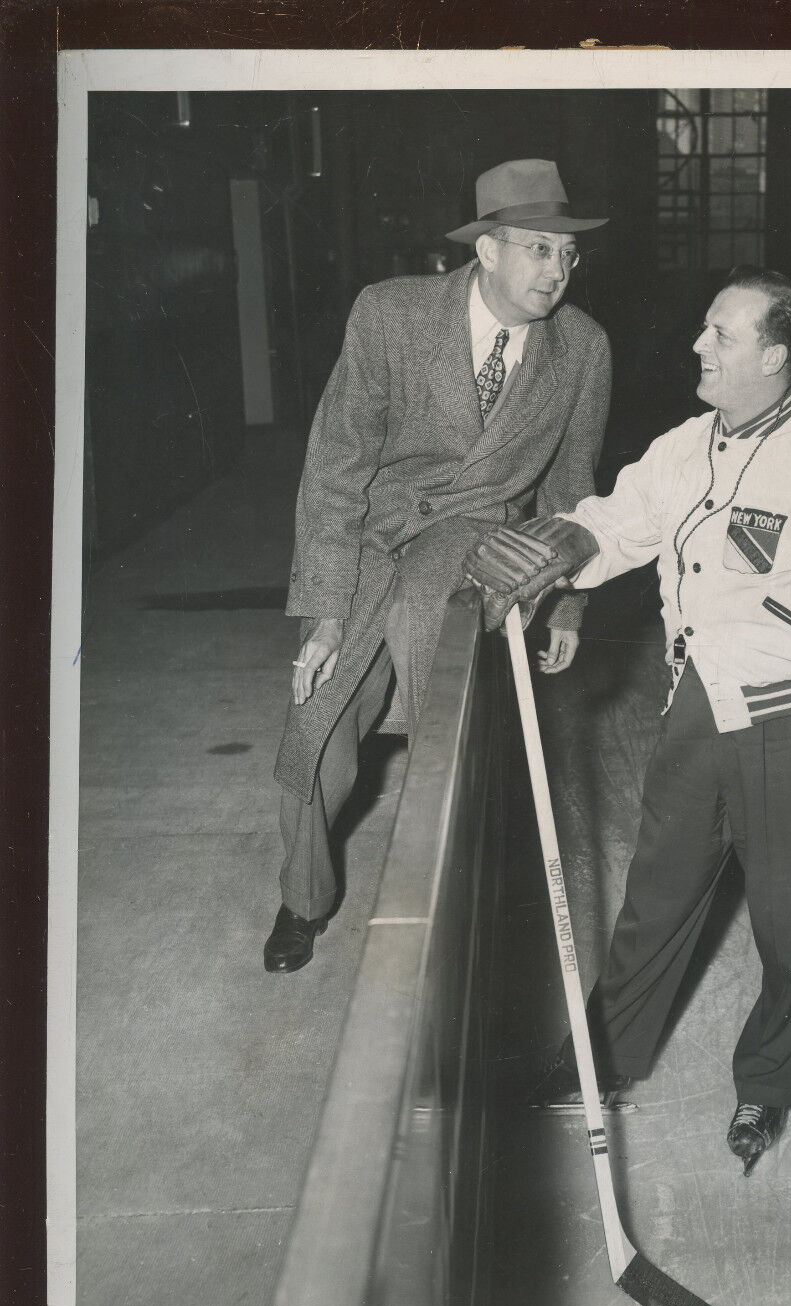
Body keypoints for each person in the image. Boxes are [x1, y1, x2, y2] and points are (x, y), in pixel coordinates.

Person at [464, 267, 791, 1174]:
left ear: (775, 357)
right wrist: (564, 547)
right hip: (698, 697)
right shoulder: (688, 444)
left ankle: (766, 1085)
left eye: (721, 335)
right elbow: (623, 520)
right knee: (657, 894)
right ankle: (607, 1062)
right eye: (704, 328)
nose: (698, 346)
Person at [264, 159, 611, 973]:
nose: (556, 272)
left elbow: (570, 487)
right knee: (312, 731)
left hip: (475, 533)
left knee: (431, 658)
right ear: (486, 249)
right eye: (537, 250)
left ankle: (448, 875)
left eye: (567, 256)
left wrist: (568, 601)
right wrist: (324, 609)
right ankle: (304, 898)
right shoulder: (389, 314)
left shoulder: (583, 349)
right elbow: (336, 464)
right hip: (373, 530)